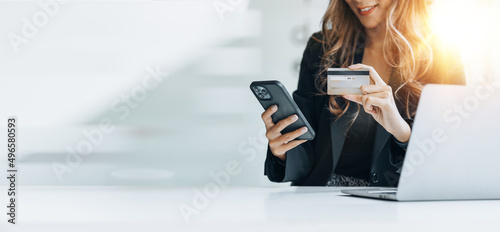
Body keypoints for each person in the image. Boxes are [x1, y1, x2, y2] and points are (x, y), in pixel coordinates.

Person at [261, 0, 465, 186]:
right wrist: (282, 152)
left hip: (397, 201)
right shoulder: (323, 48)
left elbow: (451, 152)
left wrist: (402, 133)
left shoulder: (443, 58)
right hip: (324, 201)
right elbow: (306, 148)